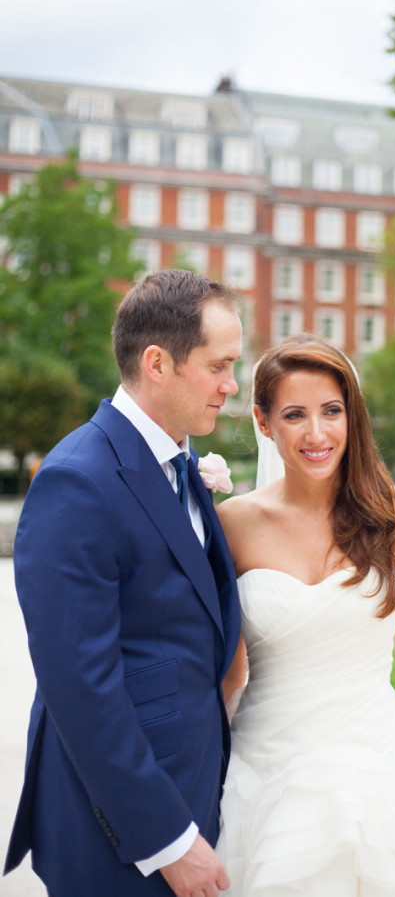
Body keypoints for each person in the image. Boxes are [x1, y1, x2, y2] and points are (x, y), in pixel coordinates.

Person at [4, 269, 243, 897]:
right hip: (119, 830)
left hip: (192, 784)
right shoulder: (76, 481)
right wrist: (166, 839)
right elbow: (80, 686)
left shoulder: (179, 461)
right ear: (158, 363)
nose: (232, 385)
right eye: (219, 366)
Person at [215, 333, 395, 897]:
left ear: (352, 415)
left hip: (375, 770)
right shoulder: (233, 524)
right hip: (266, 772)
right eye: (294, 415)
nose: (317, 434)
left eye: (332, 411)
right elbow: (228, 669)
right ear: (263, 421)